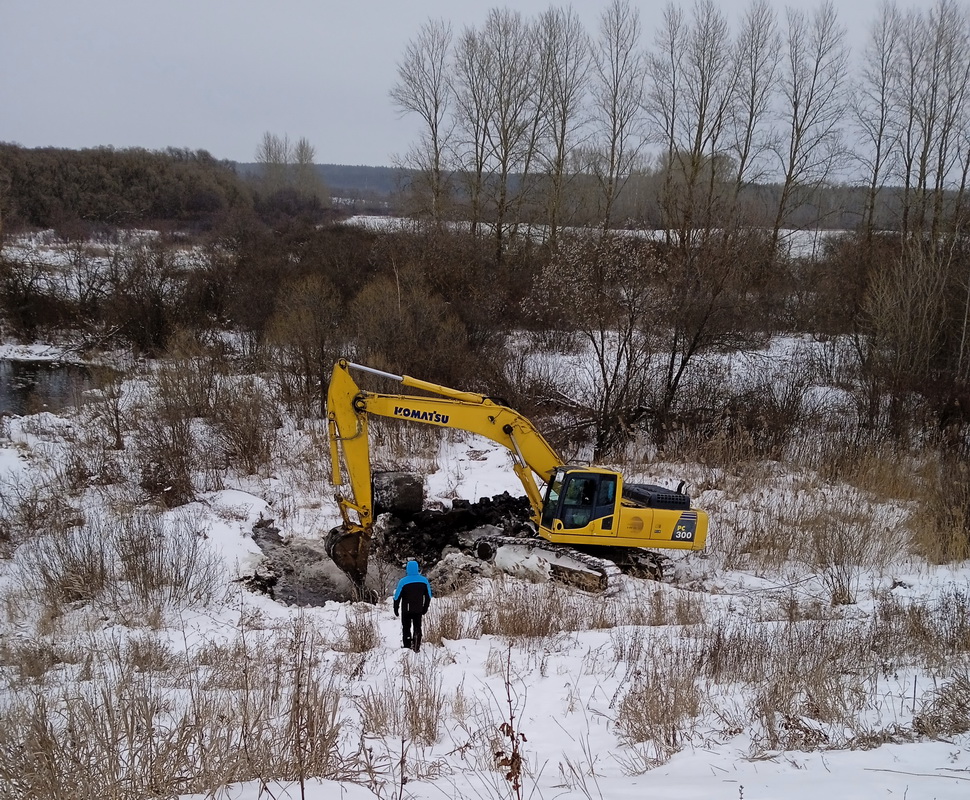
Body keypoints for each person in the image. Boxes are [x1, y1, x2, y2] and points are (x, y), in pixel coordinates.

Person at [393, 560, 432, 652]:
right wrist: (425, 607)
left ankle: (407, 646)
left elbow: (397, 596)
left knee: (406, 627)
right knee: (417, 627)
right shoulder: (424, 581)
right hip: (418, 609)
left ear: (407, 569)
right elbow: (428, 596)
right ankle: (416, 646)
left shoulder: (403, 581)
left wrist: (396, 608)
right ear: (417, 568)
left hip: (406, 609)